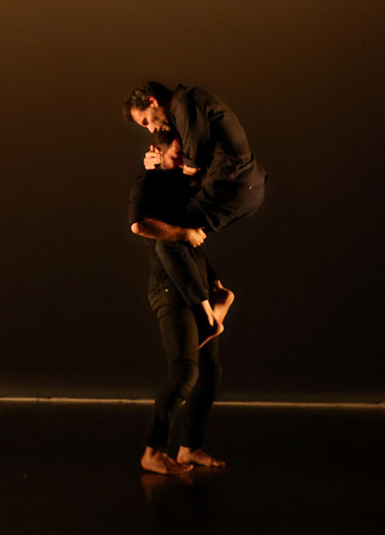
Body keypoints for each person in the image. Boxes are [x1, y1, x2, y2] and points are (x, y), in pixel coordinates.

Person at [123, 81, 267, 346]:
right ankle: (217, 292)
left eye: (146, 122)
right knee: (181, 229)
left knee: (170, 240)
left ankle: (207, 321)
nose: (151, 129)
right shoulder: (186, 109)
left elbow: (192, 167)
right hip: (241, 186)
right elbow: (181, 152)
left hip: (233, 186)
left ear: (152, 102)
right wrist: (157, 159)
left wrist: (164, 168)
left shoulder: (186, 103)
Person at [128, 147, 230, 474]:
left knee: (210, 373)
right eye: (177, 150)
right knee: (186, 370)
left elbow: (204, 177)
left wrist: (212, 281)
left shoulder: (184, 187)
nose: (185, 156)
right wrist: (183, 232)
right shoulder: (150, 185)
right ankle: (153, 451)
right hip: (171, 290)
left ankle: (188, 448)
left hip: (195, 285)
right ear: (157, 152)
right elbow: (140, 225)